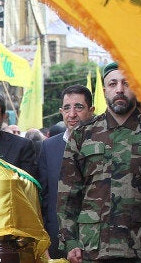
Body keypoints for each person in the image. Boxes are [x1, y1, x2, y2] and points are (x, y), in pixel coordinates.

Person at [57, 62, 141, 262]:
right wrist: (69, 241)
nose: (119, 89)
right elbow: (68, 194)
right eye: (113, 84)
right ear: (105, 91)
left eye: (126, 83)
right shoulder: (83, 134)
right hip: (92, 246)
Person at [38, 84, 94, 259]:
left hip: (96, 241)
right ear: (61, 111)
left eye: (79, 107)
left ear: (91, 110)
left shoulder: (105, 144)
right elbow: (43, 198)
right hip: (57, 241)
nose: (72, 115)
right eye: (67, 108)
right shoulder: (48, 147)